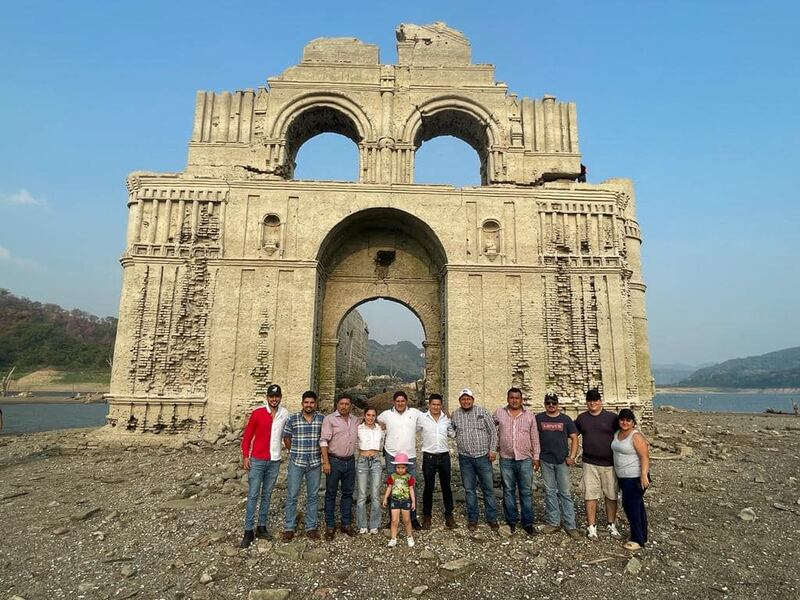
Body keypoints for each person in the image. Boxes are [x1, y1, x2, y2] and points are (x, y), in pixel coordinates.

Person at [449, 388, 499, 530]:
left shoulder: (482, 412)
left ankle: (492, 518)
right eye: (463, 399)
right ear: (460, 401)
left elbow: (493, 432)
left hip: (483, 456)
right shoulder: (455, 415)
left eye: (468, 398)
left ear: (473, 399)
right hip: (466, 458)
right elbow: (452, 433)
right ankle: (473, 519)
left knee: (488, 489)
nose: (466, 401)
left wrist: (492, 450)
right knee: (469, 490)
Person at [493, 387, 540, 534]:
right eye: (511, 397)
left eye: (517, 398)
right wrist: (492, 448)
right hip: (506, 458)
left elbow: (535, 438)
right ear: (508, 399)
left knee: (526, 492)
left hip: (525, 459)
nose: (514, 400)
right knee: (508, 491)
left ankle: (527, 523)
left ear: (521, 400)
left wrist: (536, 457)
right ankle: (511, 521)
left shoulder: (530, 416)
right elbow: (489, 428)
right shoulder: (499, 413)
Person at [575, 388, 621, 540]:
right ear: (586, 402)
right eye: (590, 400)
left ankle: (611, 524)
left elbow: (625, 433)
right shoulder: (582, 418)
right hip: (589, 463)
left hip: (610, 463)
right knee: (590, 495)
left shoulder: (612, 418)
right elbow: (572, 434)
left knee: (611, 494)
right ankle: (591, 526)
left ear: (601, 401)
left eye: (595, 400)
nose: (592, 403)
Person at [535, 393, 581, 539]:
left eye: (553, 403)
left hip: (562, 461)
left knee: (565, 493)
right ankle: (553, 522)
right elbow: (533, 437)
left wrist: (572, 456)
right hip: (545, 460)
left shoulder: (565, 419)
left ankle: (570, 525)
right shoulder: (539, 418)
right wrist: (535, 457)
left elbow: (574, 438)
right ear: (544, 404)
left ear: (557, 404)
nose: (551, 405)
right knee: (549, 492)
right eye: (548, 403)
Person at [282, 391, 324, 542]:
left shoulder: (321, 419)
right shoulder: (293, 418)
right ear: (302, 403)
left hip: (314, 463)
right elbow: (286, 436)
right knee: (292, 495)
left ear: (315, 404)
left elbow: (325, 438)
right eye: (306, 402)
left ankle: (311, 527)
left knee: (313, 496)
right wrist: (291, 451)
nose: (309, 405)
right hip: (297, 463)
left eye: (312, 402)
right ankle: (289, 527)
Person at [378, 390, 423, 530]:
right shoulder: (386, 414)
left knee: (411, 486)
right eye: (397, 401)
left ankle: (413, 518)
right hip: (392, 456)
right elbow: (374, 420)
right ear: (393, 402)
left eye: (403, 401)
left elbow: (427, 420)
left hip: (409, 456)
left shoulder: (415, 413)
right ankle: (393, 519)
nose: (400, 403)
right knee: (393, 486)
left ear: (406, 401)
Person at [239, 384, 276, 548]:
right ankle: (248, 530)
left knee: (267, 495)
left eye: (277, 396)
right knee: (253, 494)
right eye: (271, 396)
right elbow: (247, 436)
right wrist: (245, 456)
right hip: (258, 460)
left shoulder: (284, 414)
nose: (274, 399)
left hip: (274, 461)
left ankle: (261, 526)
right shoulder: (258, 413)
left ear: (280, 398)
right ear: (267, 398)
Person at [320, 393, 359, 540]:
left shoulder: (355, 420)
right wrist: (326, 462)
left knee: (348, 493)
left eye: (347, 404)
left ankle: (346, 523)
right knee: (331, 493)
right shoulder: (329, 419)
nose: (344, 406)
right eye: (341, 404)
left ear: (351, 405)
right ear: (337, 405)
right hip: (334, 461)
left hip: (350, 461)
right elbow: (323, 441)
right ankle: (330, 525)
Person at [611, 408, 651, 550]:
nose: (625, 422)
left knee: (631, 507)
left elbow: (644, 457)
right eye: (622, 419)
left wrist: (644, 476)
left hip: (634, 477)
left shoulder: (636, 436)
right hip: (623, 476)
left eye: (628, 420)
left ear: (633, 422)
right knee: (638, 507)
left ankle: (637, 539)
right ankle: (642, 536)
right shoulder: (617, 433)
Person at [417, 393, 456, 529]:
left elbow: (452, 433)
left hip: (444, 457)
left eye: (438, 404)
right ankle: (427, 516)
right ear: (429, 405)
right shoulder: (422, 418)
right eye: (433, 404)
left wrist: (453, 421)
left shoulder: (446, 419)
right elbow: (412, 430)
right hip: (429, 457)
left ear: (441, 405)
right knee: (428, 487)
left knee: (446, 487)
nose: (436, 407)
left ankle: (449, 515)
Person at [355, 407, 385, 534]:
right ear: (364, 415)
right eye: (368, 415)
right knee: (361, 494)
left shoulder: (380, 429)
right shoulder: (358, 428)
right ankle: (362, 524)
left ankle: (374, 524)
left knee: (375, 494)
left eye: (373, 415)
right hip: (362, 460)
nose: (370, 418)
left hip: (376, 461)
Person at [382, 452, 417, 547]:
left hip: (405, 501)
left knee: (407, 520)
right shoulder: (392, 476)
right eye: (398, 467)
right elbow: (389, 487)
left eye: (403, 467)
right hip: (394, 501)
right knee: (394, 520)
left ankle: (409, 536)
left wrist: (413, 501)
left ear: (406, 467)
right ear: (395, 467)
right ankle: (393, 538)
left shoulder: (409, 477)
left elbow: (411, 489)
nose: (400, 470)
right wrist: (385, 498)